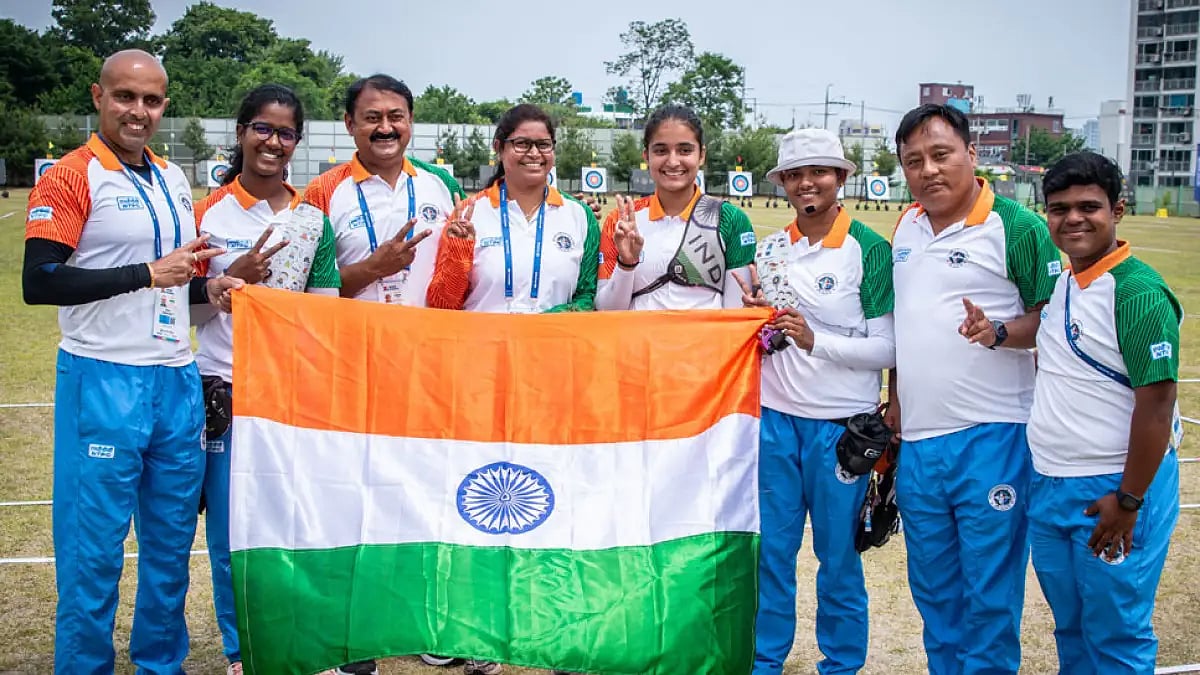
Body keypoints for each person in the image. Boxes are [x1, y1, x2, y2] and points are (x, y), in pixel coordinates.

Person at [21, 49, 242, 674]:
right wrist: (148, 273)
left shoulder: (173, 179)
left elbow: (172, 282)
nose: (137, 111)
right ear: (99, 96)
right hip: (103, 376)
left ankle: (159, 666)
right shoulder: (71, 174)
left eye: (150, 100)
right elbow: (40, 282)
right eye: (125, 97)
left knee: (171, 549)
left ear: (164, 106)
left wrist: (207, 290)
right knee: (92, 552)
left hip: (175, 376)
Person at [885, 103, 1061, 674]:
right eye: (914, 161)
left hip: (993, 437)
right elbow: (905, 326)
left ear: (971, 154)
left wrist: (999, 331)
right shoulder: (906, 226)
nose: (929, 170)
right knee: (934, 591)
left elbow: (1056, 318)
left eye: (941, 155)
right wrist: (896, 400)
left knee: (989, 594)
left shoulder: (1016, 225)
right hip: (919, 442)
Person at [301, 74, 466, 675]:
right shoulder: (322, 193)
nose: (386, 128)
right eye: (372, 117)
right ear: (349, 124)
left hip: (428, 366)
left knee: (428, 492)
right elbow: (307, 291)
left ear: (411, 120)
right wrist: (371, 268)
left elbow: (462, 279)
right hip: (351, 366)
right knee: (352, 497)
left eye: (396, 116)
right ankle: (355, 636)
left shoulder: (443, 187)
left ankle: (431, 624)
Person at [191, 83, 342, 675]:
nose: (272, 142)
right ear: (241, 132)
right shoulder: (207, 212)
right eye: (262, 129)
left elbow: (325, 312)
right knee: (231, 534)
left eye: (285, 133)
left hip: (290, 396)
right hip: (224, 389)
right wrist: (230, 282)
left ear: (297, 143)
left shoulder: (312, 221)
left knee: (297, 525)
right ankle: (241, 650)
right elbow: (183, 310)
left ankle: (301, 645)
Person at [736, 129, 895, 675]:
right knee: (772, 557)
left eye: (819, 172)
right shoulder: (770, 248)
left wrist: (814, 340)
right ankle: (764, 662)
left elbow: (888, 346)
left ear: (841, 178)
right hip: (777, 421)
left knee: (839, 560)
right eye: (795, 175)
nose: (807, 184)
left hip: (840, 429)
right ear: (781, 183)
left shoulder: (869, 249)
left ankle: (841, 665)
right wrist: (761, 322)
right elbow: (768, 335)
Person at [1026, 151, 1182, 673]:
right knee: (1070, 629)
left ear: (1118, 210)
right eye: (1059, 207)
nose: (1073, 218)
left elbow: (1157, 408)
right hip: (1051, 485)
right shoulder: (1068, 280)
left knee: (1116, 635)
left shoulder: (1137, 292)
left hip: (1114, 490)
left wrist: (1130, 499)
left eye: (1089, 206)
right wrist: (998, 332)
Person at [427, 103, 599, 316]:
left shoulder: (580, 216)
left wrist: (548, 320)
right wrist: (458, 253)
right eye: (522, 144)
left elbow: (588, 294)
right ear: (499, 148)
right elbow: (442, 305)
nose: (534, 153)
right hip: (484, 345)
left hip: (551, 344)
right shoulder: (469, 215)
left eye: (544, 144)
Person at [595, 104, 756, 310]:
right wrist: (627, 262)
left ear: (702, 155)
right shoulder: (621, 221)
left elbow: (735, 315)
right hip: (639, 342)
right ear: (646, 156)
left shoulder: (730, 219)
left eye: (685, 150)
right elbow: (606, 312)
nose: (673, 161)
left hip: (707, 342)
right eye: (661, 150)